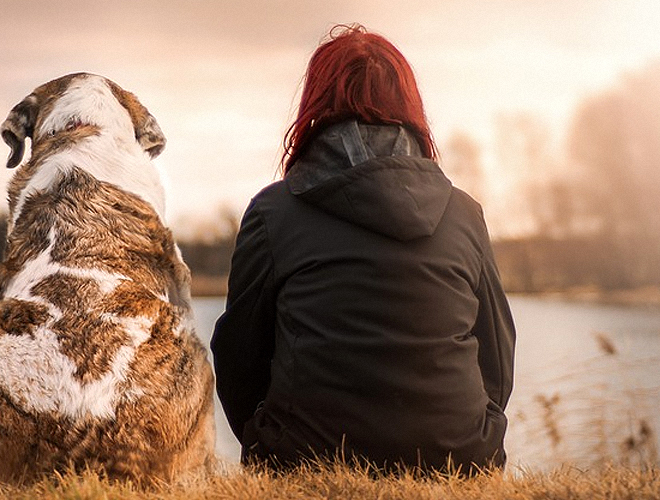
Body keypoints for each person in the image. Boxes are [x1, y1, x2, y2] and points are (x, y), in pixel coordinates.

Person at [211, 24, 516, 475]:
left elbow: (238, 355)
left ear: (315, 105)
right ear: (409, 107)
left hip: (304, 459)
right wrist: (474, 431)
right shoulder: (464, 213)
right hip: (459, 459)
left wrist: (266, 438)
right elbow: (497, 354)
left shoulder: (273, 213)